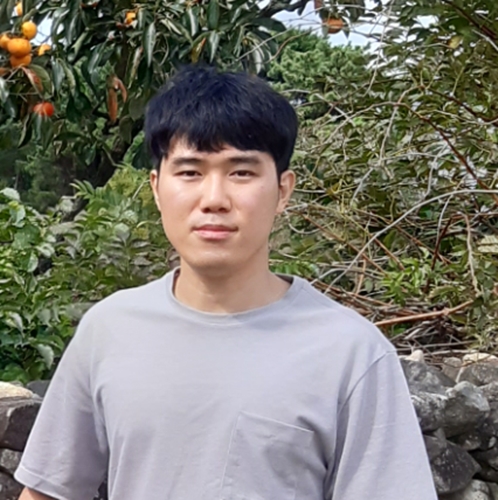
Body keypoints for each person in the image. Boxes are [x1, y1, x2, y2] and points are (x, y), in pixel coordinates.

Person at [15, 65, 437, 500]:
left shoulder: (351, 352)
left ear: (283, 190)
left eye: (241, 173)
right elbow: (47, 492)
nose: (214, 199)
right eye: (190, 172)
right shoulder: (110, 329)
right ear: (157, 188)